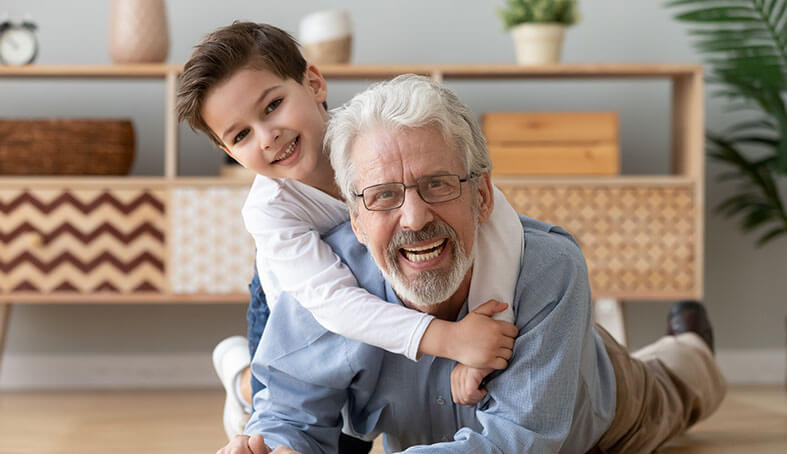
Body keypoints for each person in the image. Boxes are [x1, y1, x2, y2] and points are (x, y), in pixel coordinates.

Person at [217, 75, 726, 453]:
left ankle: (692, 348)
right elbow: (292, 417)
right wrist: (275, 446)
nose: (414, 219)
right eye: (384, 195)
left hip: (606, 416)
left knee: (677, 388)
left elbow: (517, 442)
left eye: (437, 184)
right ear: (354, 218)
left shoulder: (547, 269)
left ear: (482, 195)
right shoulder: (326, 287)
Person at [176, 22, 522, 445]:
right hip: (299, 312)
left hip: (379, 291)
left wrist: (487, 333)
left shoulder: (375, 135)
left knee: (375, 400)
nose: (268, 138)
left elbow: (496, 216)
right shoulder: (269, 211)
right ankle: (241, 379)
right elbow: (332, 304)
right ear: (229, 152)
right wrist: (449, 340)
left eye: (272, 106)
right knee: (304, 418)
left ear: (315, 82)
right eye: (242, 135)